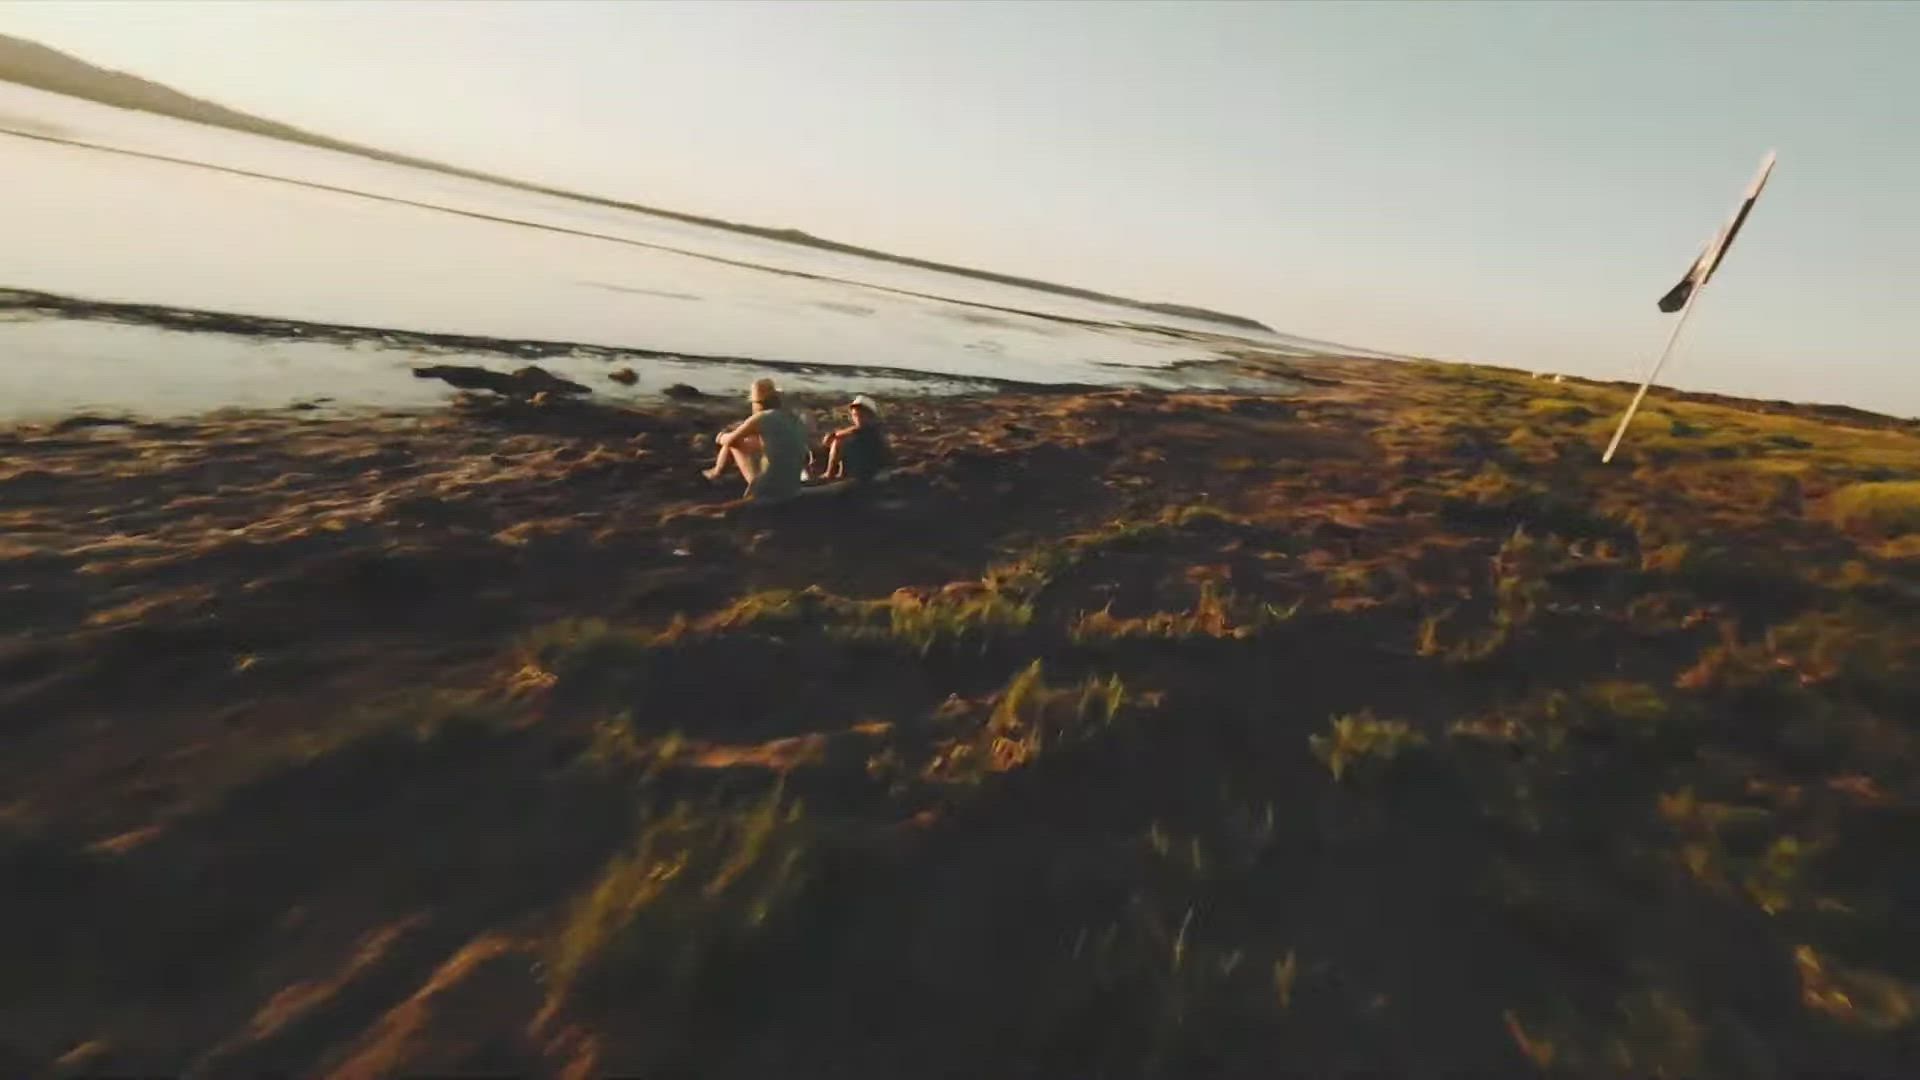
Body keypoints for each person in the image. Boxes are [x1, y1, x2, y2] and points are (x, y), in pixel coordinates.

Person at [702, 377, 809, 501]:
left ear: (757, 403)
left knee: (734, 442)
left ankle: (716, 473)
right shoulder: (794, 419)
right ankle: (717, 472)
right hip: (792, 488)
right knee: (756, 443)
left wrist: (721, 436)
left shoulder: (762, 417)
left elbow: (730, 440)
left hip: (767, 489)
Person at [812, 394, 893, 483]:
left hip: (872, 468)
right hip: (865, 463)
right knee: (841, 442)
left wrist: (833, 435)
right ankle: (840, 473)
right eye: (855, 415)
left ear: (870, 416)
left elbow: (853, 431)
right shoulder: (865, 429)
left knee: (838, 442)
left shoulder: (872, 430)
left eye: (861, 415)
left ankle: (830, 474)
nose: (858, 418)